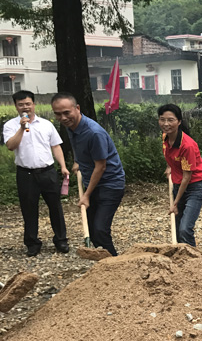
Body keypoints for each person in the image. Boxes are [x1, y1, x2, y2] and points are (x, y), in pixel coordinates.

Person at [51, 93, 126, 256]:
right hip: (93, 182)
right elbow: (79, 147)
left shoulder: (93, 133)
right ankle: (103, 262)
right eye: (58, 114)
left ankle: (115, 263)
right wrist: (78, 161)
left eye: (66, 112)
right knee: (92, 229)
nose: (63, 118)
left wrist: (86, 195)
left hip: (110, 184)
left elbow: (101, 166)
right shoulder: (72, 127)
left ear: (77, 108)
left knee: (100, 229)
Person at [3, 90, 69, 256]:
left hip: (47, 171)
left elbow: (56, 146)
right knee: (29, 209)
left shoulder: (46, 124)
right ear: (16, 106)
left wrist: (63, 166)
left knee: (55, 207)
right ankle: (32, 243)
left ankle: (61, 240)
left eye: (28, 104)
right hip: (26, 174)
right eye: (21, 105)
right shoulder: (10, 125)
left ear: (34, 104)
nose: (25, 107)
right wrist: (21, 128)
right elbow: (10, 146)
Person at [159, 104, 202, 247]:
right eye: (162, 119)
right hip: (178, 184)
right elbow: (170, 155)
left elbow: (187, 177)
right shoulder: (165, 137)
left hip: (195, 187)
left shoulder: (187, 145)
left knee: (185, 229)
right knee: (178, 229)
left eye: (170, 120)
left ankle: (194, 258)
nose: (166, 124)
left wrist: (175, 203)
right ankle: (181, 257)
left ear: (179, 121)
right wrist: (170, 166)